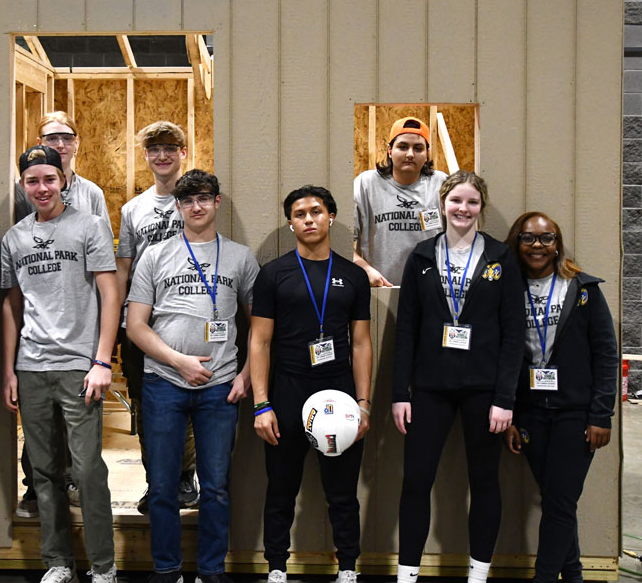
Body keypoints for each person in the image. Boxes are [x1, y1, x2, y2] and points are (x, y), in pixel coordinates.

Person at [126, 169, 259, 583]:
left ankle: (211, 569)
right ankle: (166, 568)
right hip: (163, 384)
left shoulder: (239, 257)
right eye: (187, 201)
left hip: (221, 387)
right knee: (163, 487)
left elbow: (261, 327)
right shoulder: (155, 255)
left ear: (217, 202)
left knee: (216, 487)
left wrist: (247, 376)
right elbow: (135, 326)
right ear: (178, 207)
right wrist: (179, 361)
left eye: (203, 198)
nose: (196, 206)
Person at [391, 170, 525, 583]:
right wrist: (400, 392)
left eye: (471, 202)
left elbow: (514, 334)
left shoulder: (501, 258)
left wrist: (505, 399)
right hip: (429, 389)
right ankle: (408, 572)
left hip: (484, 392)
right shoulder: (422, 256)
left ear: (481, 207)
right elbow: (406, 329)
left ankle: (479, 572)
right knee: (416, 480)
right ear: (442, 204)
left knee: (484, 481)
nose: (462, 209)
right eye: (455, 201)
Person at [1, 146, 119, 583]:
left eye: (49, 178)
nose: (42, 188)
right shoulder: (14, 238)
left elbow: (110, 294)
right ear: (23, 186)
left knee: (87, 468)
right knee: (43, 470)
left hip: (79, 368)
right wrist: (10, 370)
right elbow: (12, 306)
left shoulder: (89, 227)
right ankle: (58, 562)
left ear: (63, 180)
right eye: (33, 181)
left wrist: (102, 359)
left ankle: (104, 566)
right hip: (32, 367)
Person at [250, 185, 372, 583]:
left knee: (342, 493)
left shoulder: (352, 275)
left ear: (331, 216)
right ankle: (277, 569)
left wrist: (364, 404)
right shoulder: (274, 274)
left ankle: (349, 568)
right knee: (281, 489)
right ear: (291, 222)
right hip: (287, 389)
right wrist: (261, 404)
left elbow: (361, 343)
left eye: (316, 211)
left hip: (338, 393)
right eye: (299, 213)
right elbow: (260, 341)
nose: (308, 218)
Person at [503, 212, 618, 583]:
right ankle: (573, 574)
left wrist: (602, 415)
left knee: (559, 501)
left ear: (557, 243)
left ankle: (545, 576)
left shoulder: (582, 289)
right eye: (528, 238)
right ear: (516, 243)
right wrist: (514, 417)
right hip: (532, 413)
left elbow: (606, 354)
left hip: (575, 412)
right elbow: (503, 356)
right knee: (556, 500)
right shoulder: (507, 289)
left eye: (546, 238)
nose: (538, 246)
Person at [14, 112, 114, 518]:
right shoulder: (25, 192)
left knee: (84, 443)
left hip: (79, 333)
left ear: (75, 143)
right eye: (50, 137)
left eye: (65, 137)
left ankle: (74, 486)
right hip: (37, 341)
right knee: (40, 432)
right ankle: (37, 488)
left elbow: (103, 259)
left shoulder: (90, 195)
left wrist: (101, 349)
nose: (58, 144)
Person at [115, 120, 197, 514]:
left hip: (188, 316)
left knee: (191, 403)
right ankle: (157, 482)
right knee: (148, 408)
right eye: (154, 149)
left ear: (183, 152)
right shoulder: (133, 209)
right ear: (145, 156)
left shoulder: (199, 199)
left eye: (170, 147)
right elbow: (123, 268)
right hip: (143, 323)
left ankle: (185, 478)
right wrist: (118, 321)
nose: (162, 155)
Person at [354, 116, 447, 287]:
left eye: (418, 148)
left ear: (427, 153)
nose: (410, 154)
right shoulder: (366, 184)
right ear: (389, 150)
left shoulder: (441, 184)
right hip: (379, 291)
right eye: (403, 147)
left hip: (430, 291)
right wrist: (365, 269)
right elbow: (343, 242)